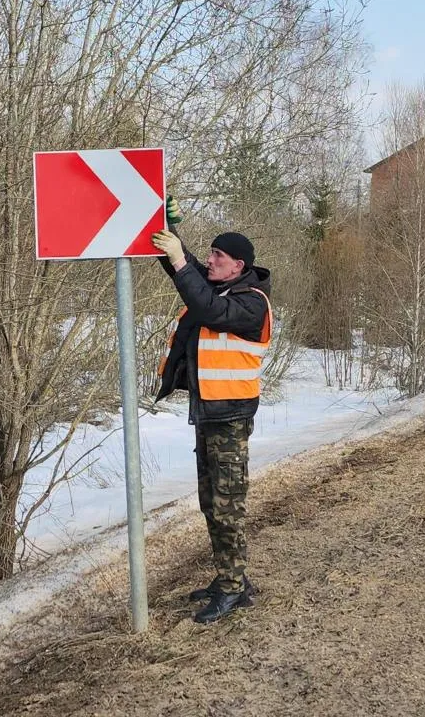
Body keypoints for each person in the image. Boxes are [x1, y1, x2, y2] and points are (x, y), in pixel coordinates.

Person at [151, 197, 272, 624]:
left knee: (227, 505)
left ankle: (234, 589)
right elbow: (186, 272)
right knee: (211, 501)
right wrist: (165, 227)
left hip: (230, 418)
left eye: (218, 256)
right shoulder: (221, 285)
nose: (211, 260)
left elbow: (203, 303)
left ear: (237, 265)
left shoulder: (250, 302)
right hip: (210, 413)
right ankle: (228, 578)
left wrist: (181, 259)